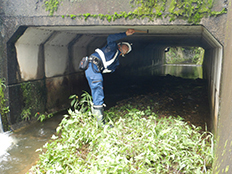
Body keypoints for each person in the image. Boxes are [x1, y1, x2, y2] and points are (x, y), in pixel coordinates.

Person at [85, 28, 135, 126]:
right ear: (120, 45)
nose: (125, 48)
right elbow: (110, 37)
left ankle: (98, 119)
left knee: (98, 91)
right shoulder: (112, 46)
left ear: (125, 53)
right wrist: (125, 33)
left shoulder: (116, 61)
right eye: (125, 46)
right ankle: (100, 123)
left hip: (96, 70)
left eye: (127, 49)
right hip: (92, 66)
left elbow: (110, 70)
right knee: (98, 92)